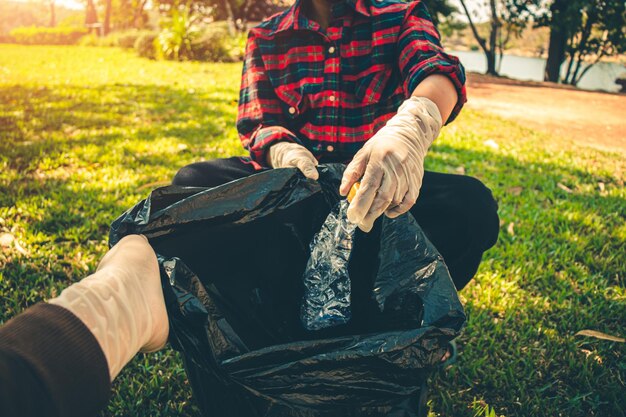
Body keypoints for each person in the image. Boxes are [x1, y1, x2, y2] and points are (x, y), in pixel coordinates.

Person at [173, 0, 500, 291]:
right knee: (193, 185)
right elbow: (258, 123)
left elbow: (436, 71)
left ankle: (399, 308)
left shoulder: (400, 15)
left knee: (471, 207)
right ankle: (264, 295)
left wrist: (412, 125)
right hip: (293, 200)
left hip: (375, 199)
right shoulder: (267, 37)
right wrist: (283, 150)